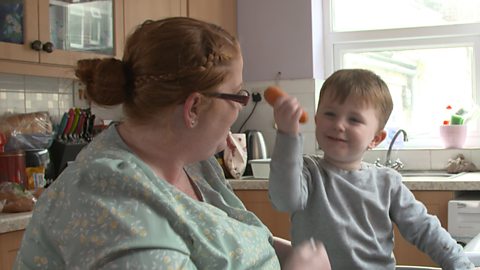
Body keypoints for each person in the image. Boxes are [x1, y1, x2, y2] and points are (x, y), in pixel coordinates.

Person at [13, 17, 331, 269]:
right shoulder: (108, 198)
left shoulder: (194, 165)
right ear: (193, 108)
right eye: (238, 95)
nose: (242, 106)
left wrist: (282, 251)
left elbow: (223, 237)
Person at [268, 69, 476, 269]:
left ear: (376, 139)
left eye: (354, 119)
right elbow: (283, 199)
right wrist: (288, 135)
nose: (339, 124)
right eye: (330, 114)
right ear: (316, 120)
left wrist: (460, 264)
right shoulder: (306, 172)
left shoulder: (387, 183)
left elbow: (424, 228)